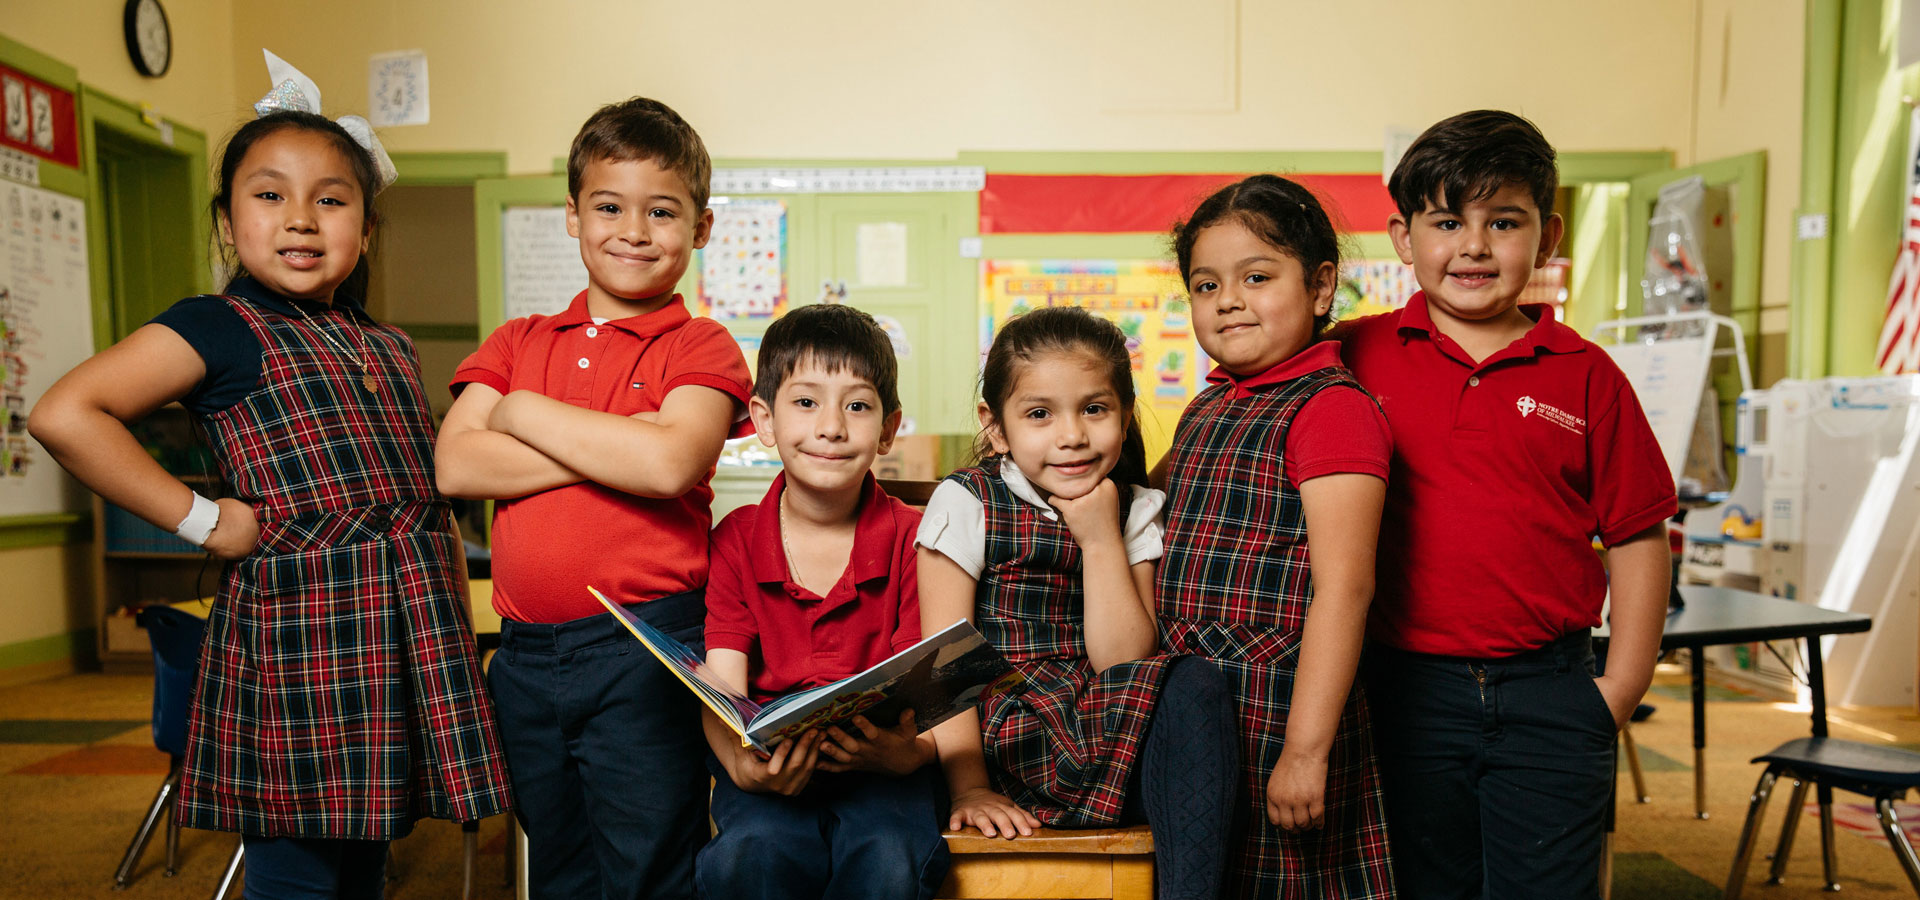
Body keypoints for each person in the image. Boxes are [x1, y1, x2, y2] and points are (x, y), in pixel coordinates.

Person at [29, 52, 511, 898]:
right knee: (295, 871)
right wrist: (203, 519)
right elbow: (68, 414)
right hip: (302, 641)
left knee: (368, 859)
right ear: (227, 219)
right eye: (269, 193)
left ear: (364, 227)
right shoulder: (218, 325)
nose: (300, 218)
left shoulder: (387, 343)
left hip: (396, 634)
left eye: (331, 198)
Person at [1338, 109, 1676, 900]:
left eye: (1504, 221)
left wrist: (1617, 692)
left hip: (1551, 693)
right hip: (1403, 694)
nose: (1475, 246)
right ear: (1403, 238)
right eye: (1448, 221)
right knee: (1424, 886)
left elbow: (1638, 538)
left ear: (1548, 236)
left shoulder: (1587, 375)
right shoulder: (1354, 354)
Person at [435, 97, 752, 899]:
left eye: (663, 212)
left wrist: (524, 414)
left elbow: (668, 466)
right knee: (559, 857)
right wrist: (619, 441)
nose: (634, 231)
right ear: (572, 217)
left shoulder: (700, 344)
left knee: (650, 859)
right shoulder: (517, 340)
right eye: (609, 207)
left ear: (703, 228)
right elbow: (457, 469)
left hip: (645, 649)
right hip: (527, 654)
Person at [917, 306, 1238, 900]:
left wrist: (1098, 537)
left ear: (1125, 414)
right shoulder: (969, 499)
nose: (1071, 436)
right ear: (996, 426)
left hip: (1107, 730)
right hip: (1005, 741)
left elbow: (1125, 661)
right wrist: (968, 788)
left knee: (1193, 680)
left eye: (1095, 409)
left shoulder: (1135, 506)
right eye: (1039, 414)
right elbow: (944, 662)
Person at [1155, 174, 1396, 899]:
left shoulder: (1331, 409)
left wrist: (1305, 748)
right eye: (1205, 285)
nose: (1228, 300)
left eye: (1256, 277)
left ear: (1321, 287)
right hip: (1200, 703)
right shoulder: (1208, 404)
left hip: (1282, 707)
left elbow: (1346, 588)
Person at [696, 303, 951, 900]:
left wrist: (907, 756)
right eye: (806, 402)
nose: (831, 427)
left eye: (857, 406)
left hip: (885, 767)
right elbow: (721, 683)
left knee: (890, 858)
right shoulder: (735, 538)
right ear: (764, 419)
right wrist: (740, 767)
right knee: (747, 856)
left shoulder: (917, 536)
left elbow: (930, 682)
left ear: (889, 427)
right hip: (771, 770)